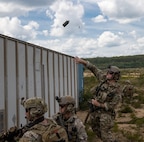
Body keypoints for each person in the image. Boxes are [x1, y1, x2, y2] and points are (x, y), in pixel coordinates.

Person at [74, 56, 122, 142]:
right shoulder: (103, 79)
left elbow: (112, 105)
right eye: (108, 72)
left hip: (106, 114)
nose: (107, 73)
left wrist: (99, 104)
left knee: (105, 135)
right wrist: (82, 61)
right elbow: (94, 68)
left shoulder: (117, 90)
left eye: (110, 73)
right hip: (95, 111)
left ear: (115, 76)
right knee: (95, 129)